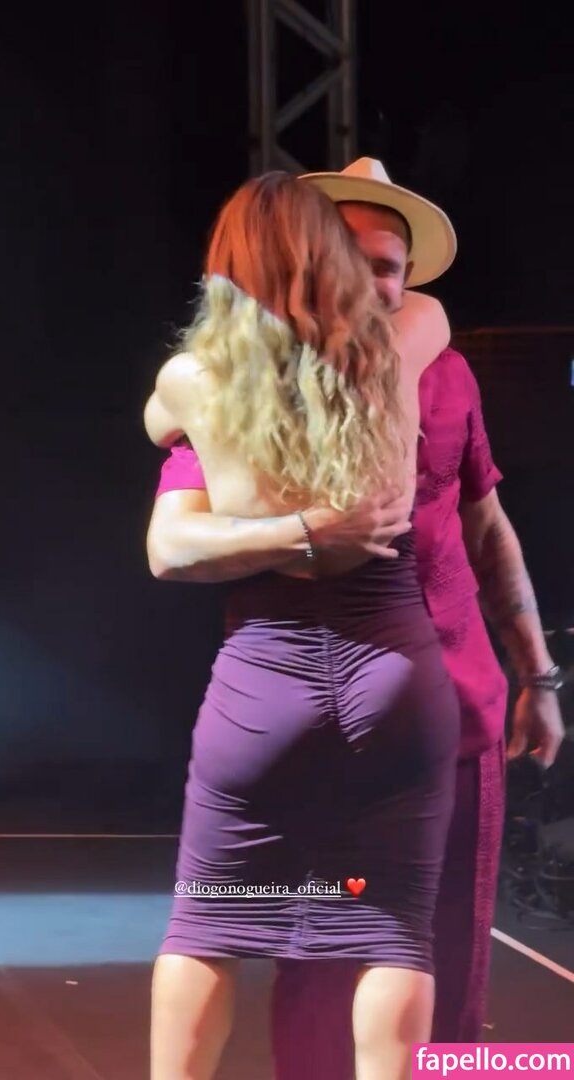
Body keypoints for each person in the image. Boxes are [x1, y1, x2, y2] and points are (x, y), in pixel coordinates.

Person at [147, 159, 565, 1075]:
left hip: (417, 696)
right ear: (313, 257)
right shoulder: (399, 351)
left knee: (232, 921)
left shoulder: (214, 379)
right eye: (356, 258)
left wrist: (537, 674)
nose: (380, 284)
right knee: (378, 938)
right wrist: (309, 529)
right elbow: (171, 543)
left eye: (392, 265)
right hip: (398, 685)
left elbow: (486, 524)